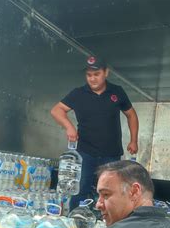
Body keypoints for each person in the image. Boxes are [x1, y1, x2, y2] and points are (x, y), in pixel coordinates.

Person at [51, 56, 139, 210]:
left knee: (110, 191)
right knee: (80, 189)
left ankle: (107, 224)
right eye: (89, 75)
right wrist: (69, 126)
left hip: (111, 154)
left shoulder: (117, 92)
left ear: (106, 73)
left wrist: (134, 140)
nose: (92, 79)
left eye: (96, 74)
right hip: (85, 152)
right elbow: (56, 110)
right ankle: (76, 221)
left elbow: (131, 114)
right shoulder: (78, 93)